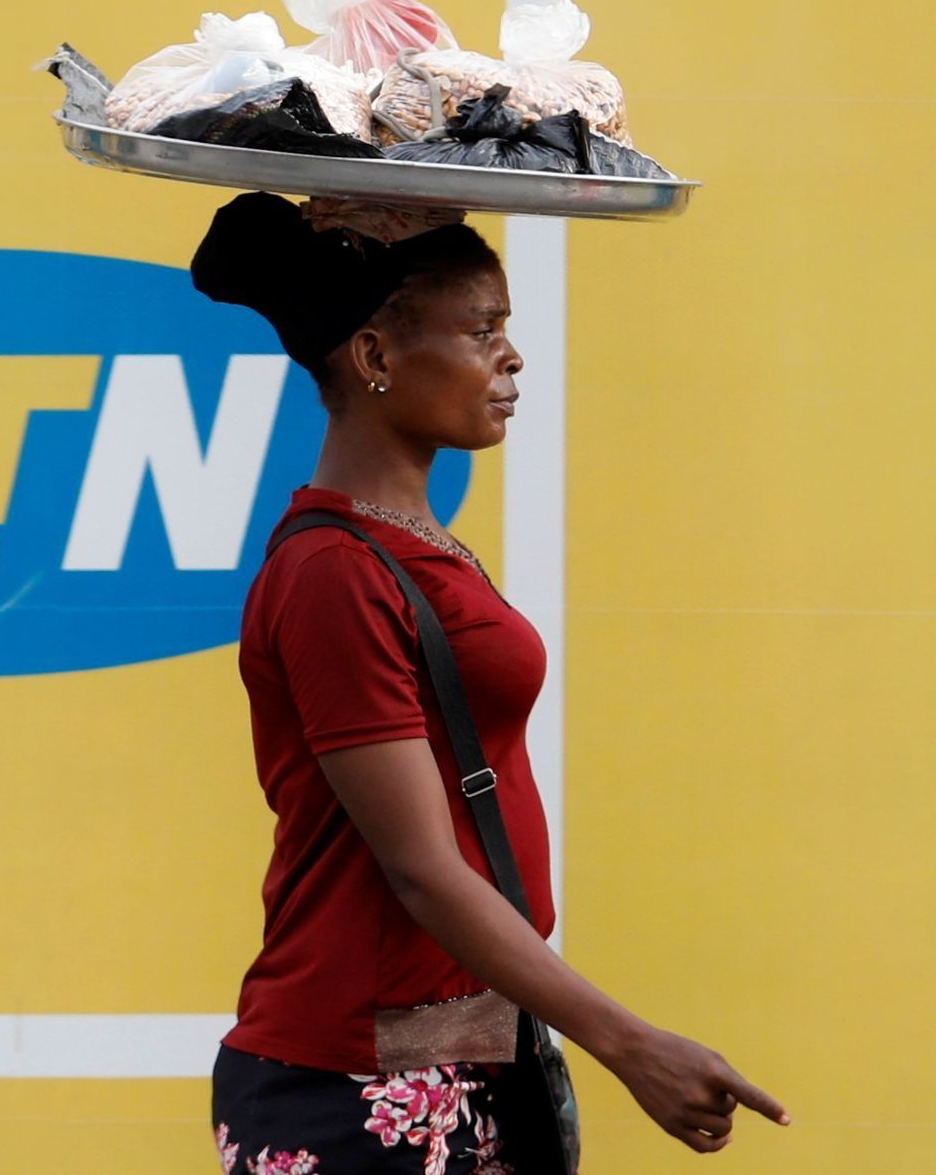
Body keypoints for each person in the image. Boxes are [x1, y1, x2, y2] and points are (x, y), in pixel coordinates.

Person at [191, 193, 789, 1174]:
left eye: (504, 328)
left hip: (467, 1055)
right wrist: (629, 1044)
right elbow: (418, 867)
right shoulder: (333, 571)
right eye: (481, 330)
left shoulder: (417, 547)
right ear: (375, 357)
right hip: (360, 1085)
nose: (509, 358)